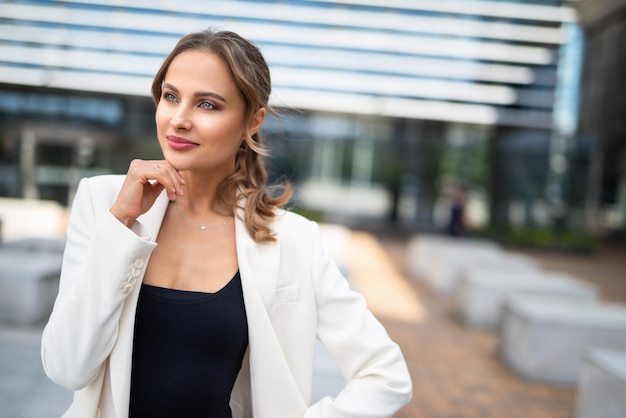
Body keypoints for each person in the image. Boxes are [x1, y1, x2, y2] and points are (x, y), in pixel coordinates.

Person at [40, 29, 412, 418]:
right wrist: (120, 224)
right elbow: (67, 367)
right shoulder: (104, 204)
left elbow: (386, 375)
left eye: (207, 105)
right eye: (171, 97)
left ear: (252, 121)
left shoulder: (293, 240)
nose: (179, 120)